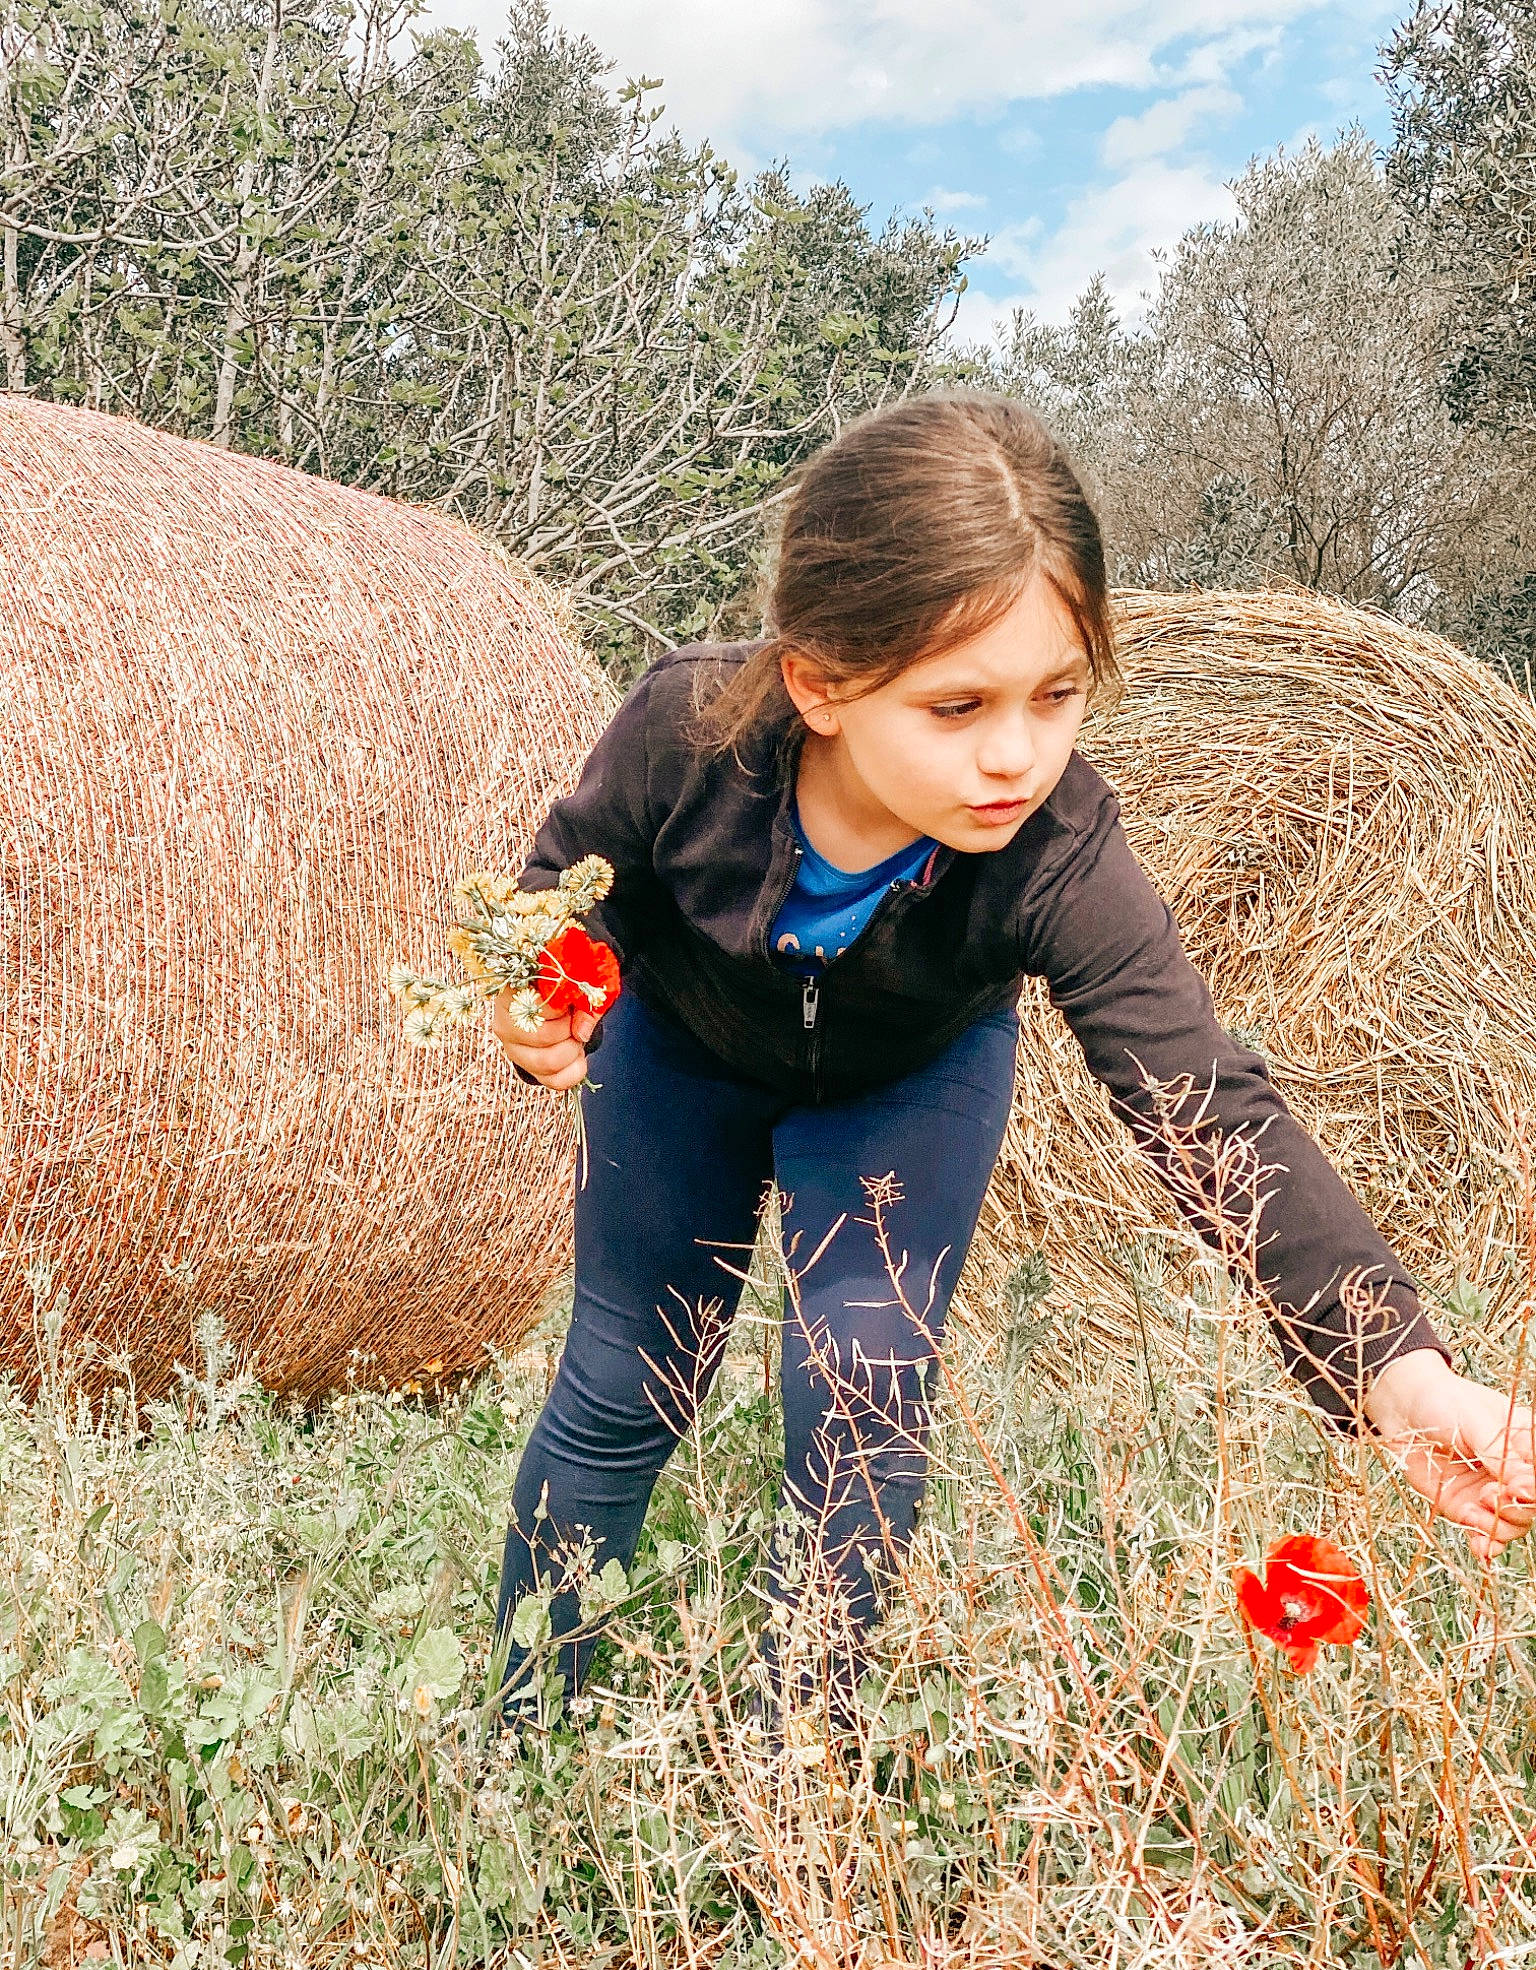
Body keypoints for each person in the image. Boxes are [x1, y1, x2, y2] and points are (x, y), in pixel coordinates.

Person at [486, 388, 1536, 1736]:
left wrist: (1400, 1373)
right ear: (819, 683)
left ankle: (791, 1774)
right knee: (627, 1382)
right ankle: (524, 1739)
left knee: (865, 1380)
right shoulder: (687, 731)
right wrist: (535, 996)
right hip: (684, 1055)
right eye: (957, 704)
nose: (1017, 754)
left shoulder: (1060, 852)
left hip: (906, 1085)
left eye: (1057, 696)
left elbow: (1208, 1104)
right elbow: (563, 885)